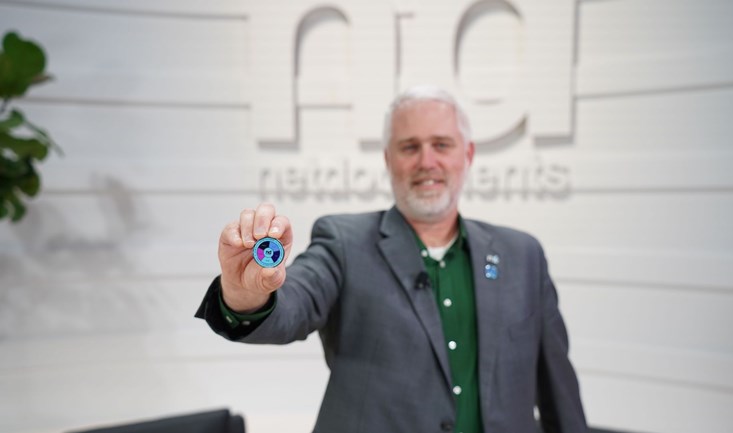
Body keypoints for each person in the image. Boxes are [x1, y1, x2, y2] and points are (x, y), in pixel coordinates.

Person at [195, 86, 587, 433]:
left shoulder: (523, 256)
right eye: (410, 146)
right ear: (388, 158)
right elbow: (294, 304)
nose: (426, 161)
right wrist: (244, 293)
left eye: (442, 144)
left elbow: (558, 391)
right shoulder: (344, 242)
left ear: (467, 155)